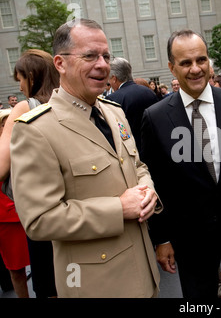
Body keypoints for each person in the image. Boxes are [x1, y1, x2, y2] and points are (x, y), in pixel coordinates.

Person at [10, 18, 162, 298]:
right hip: (96, 285)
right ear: (60, 63)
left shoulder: (113, 111)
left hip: (144, 274)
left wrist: (148, 191)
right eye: (90, 56)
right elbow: (39, 220)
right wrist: (118, 209)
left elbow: (137, 166)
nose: (103, 64)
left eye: (106, 55)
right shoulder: (36, 130)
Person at [141, 29, 221, 299]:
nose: (195, 69)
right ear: (171, 68)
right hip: (190, 238)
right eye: (186, 63)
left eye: (201, 60)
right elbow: (155, 180)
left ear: (209, 62)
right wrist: (161, 239)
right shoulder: (155, 117)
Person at [0, 49, 60, 298]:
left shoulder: (26, 107)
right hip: (74, 207)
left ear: (32, 77)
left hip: (42, 209)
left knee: (50, 285)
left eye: (21, 80)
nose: (21, 87)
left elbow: (2, 164)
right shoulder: (69, 102)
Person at [0, 109, 30, 298]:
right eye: (3, 124)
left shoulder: (25, 143)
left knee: (49, 266)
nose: (6, 128)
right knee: (16, 270)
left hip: (32, 212)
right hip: (7, 219)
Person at [106, 57, 158, 154]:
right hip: (155, 148)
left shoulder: (113, 99)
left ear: (114, 78)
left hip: (132, 151)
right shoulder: (149, 92)